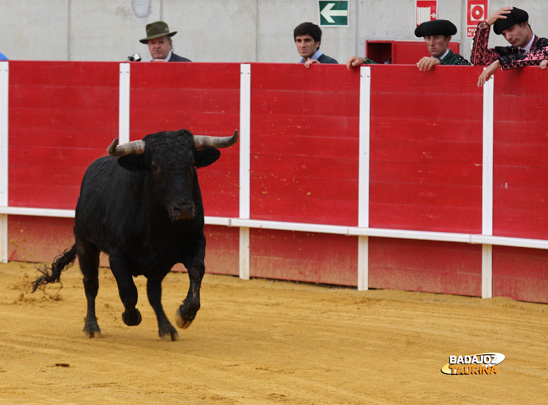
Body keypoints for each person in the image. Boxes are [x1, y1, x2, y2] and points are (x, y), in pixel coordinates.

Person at [471, 7, 548, 87]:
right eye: (504, 34)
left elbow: (535, 56)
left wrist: (499, 63)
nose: (508, 37)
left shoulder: (544, 45)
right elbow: (479, 60)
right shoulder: (509, 52)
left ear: (524, 24)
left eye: (511, 30)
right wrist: (485, 25)